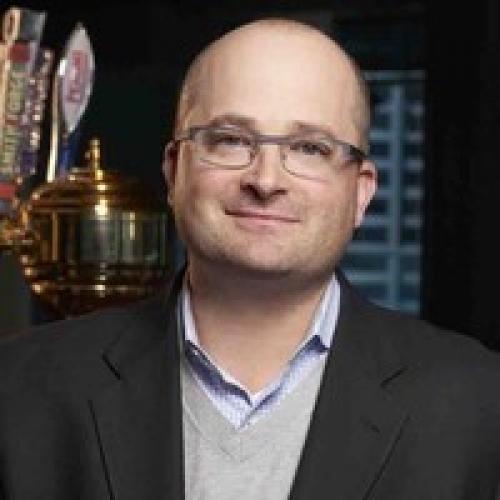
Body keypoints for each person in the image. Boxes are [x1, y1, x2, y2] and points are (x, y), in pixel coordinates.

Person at [1, 18, 500, 500]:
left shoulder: (479, 405)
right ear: (174, 171)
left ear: (361, 191)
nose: (265, 180)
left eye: (310, 147)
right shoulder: (19, 388)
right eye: (231, 140)